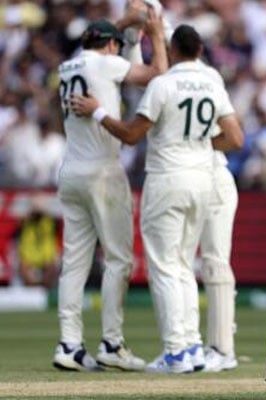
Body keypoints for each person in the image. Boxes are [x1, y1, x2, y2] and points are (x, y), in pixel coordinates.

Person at [70, 24, 245, 373]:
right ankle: (192, 346)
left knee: (166, 266)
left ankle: (177, 351)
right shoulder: (213, 80)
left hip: (167, 179)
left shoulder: (162, 84)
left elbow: (133, 134)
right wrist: (196, 146)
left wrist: (99, 112)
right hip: (202, 180)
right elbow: (235, 137)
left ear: (174, 49)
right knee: (182, 265)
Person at [53, 9, 167, 372]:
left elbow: (99, 45)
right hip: (102, 170)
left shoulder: (68, 67)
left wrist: (122, 27)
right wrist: (154, 33)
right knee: (118, 259)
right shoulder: (105, 65)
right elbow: (157, 76)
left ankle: (69, 345)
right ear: (112, 47)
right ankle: (111, 342)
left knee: (74, 262)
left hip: (70, 170)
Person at [198, 148, 240, 373]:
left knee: (215, 263)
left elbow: (235, 139)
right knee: (177, 264)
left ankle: (222, 349)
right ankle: (184, 346)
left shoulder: (217, 109)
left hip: (213, 177)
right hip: (180, 176)